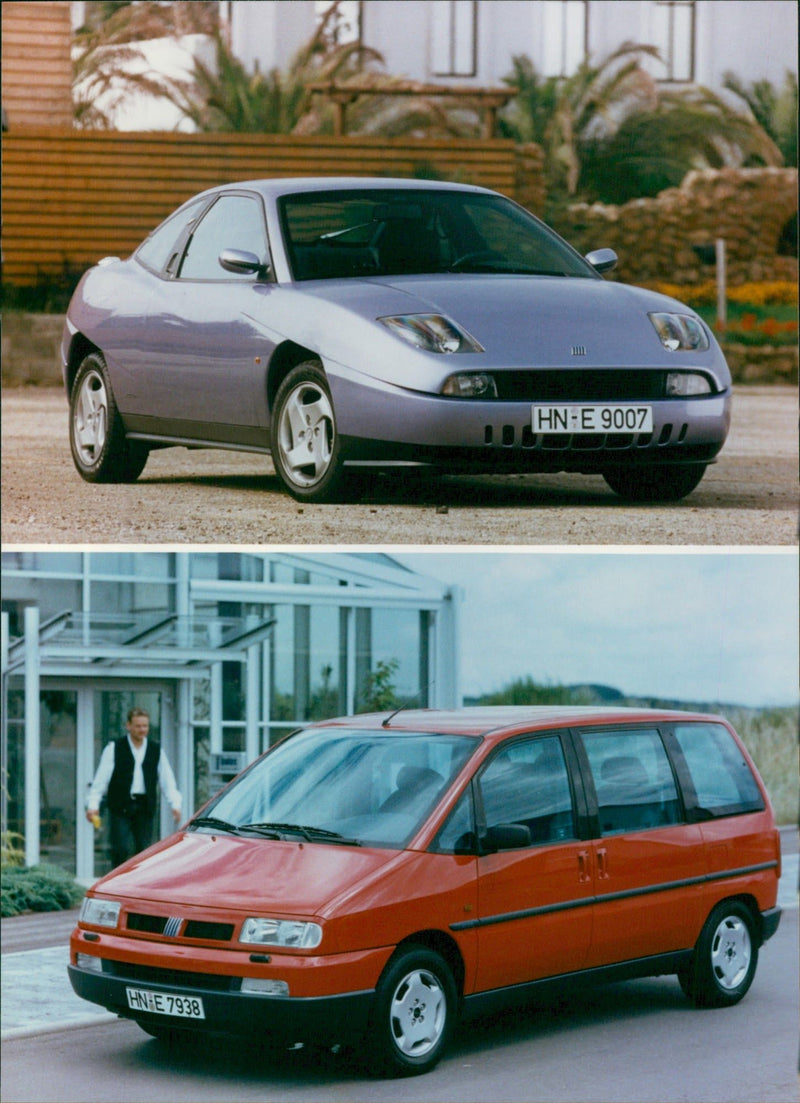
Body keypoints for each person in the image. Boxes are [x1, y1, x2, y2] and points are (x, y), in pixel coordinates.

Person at [86, 707, 182, 868]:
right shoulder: (114, 748)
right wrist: (93, 805)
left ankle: (138, 887)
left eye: (145, 726)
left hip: (144, 806)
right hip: (120, 806)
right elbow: (100, 780)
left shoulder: (155, 750)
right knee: (120, 848)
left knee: (143, 851)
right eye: (138, 726)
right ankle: (116, 885)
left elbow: (167, 780)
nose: (142, 730)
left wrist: (175, 804)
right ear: (128, 726)